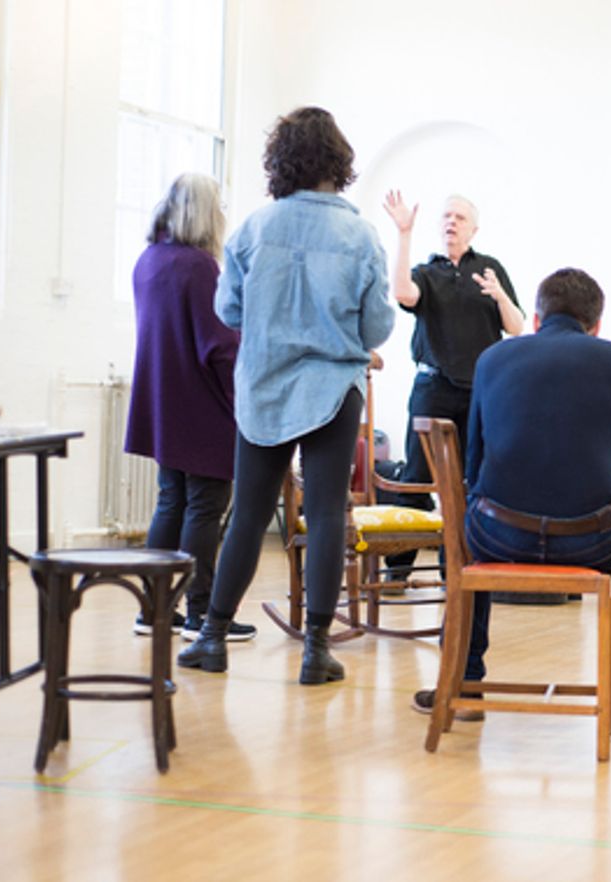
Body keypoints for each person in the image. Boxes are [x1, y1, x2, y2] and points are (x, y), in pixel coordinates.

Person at [177, 106, 394, 684]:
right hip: (331, 388)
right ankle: (316, 650)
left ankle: (212, 637)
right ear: (338, 160)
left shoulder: (253, 228)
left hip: (264, 385)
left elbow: (228, 311)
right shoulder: (360, 235)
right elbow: (376, 329)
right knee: (326, 515)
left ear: (282, 162)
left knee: (247, 513)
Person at [410, 268, 611, 729]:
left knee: (462, 528)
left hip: (497, 534)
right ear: (597, 324)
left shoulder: (492, 360)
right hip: (592, 539)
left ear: (535, 318)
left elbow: (474, 469)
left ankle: (465, 681)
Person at [123, 173, 255, 643]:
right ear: (204, 212)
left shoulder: (148, 260)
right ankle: (201, 613)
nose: (222, 214)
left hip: (163, 399)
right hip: (203, 401)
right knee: (206, 505)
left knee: (171, 500)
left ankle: (153, 608)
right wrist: (240, 399)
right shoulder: (200, 267)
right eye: (218, 206)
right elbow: (217, 345)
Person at [381, 191, 523, 515]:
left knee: (474, 479)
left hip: (480, 390)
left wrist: (500, 296)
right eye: (446, 216)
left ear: (473, 229)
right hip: (433, 388)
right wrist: (404, 234)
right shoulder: (427, 272)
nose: (451, 222)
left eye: (459, 218)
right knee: (417, 476)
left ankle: (460, 562)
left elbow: (515, 327)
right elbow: (404, 293)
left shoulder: (490, 268)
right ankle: (399, 563)